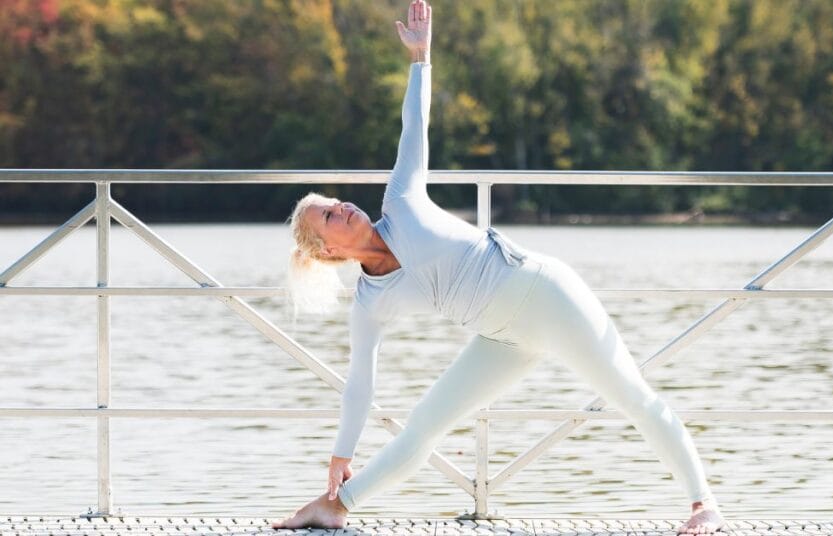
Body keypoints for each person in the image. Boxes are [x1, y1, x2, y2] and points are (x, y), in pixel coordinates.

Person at [272, 1, 725, 533]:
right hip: (502, 336)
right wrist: (340, 451)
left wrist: (421, 59)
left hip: (546, 294)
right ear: (328, 251)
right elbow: (359, 383)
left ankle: (704, 505)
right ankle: (335, 506)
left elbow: (415, 125)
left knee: (630, 394)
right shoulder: (371, 302)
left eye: (335, 201)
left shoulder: (401, 200)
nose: (343, 207)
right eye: (329, 215)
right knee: (421, 429)